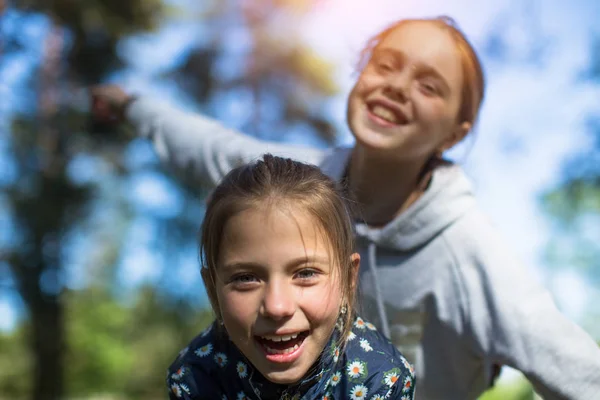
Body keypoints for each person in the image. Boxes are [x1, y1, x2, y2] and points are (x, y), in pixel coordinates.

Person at [92, 16, 600, 400]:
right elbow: (207, 146)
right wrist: (130, 105)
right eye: (385, 65)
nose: (397, 87)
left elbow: (572, 367)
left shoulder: (469, 253)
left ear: (454, 131)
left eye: (428, 85)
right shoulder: (291, 195)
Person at [166, 154, 415, 399]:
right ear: (212, 289)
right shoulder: (196, 376)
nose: (277, 307)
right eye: (246, 278)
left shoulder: (380, 380)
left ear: (348, 280)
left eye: (305, 273)